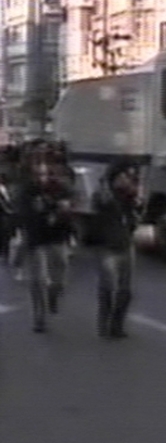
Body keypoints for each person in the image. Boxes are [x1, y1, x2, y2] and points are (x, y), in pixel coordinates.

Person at [17, 143, 74, 333]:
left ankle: (53, 295)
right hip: (36, 238)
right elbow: (24, 213)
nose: (42, 175)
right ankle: (39, 317)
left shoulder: (60, 187)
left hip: (57, 236)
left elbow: (69, 207)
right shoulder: (27, 189)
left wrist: (63, 212)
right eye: (38, 170)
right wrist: (44, 213)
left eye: (45, 170)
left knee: (60, 275)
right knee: (38, 279)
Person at [91, 159, 142, 339]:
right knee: (108, 287)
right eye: (123, 176)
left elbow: (136, 218)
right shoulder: (104, 195)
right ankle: (104, 324)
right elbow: (101, 203)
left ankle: (117, 326)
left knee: (125, 291)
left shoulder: (129, 197)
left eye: (128, 177)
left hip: (125, 245)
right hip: (107, 247)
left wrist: (135, 200)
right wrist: (108, 184)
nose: (126, 180)